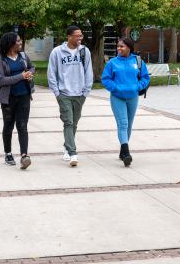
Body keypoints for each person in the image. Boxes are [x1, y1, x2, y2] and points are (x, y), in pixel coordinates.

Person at [47, 26, 93, 167]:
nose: (80, 38)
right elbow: (51, 72)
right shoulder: (57, 52)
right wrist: (57, 92)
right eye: (77, 35)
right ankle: (73, 153)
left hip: (80, 94)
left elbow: (88, 71)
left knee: (74, 122)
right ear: (69, 36)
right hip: (64, 94)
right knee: (68, 122)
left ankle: (67, 146)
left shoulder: (85, 51)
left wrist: (86, 91)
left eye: (81, 36)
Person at [101, 37, 150, 167]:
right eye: (118, 46)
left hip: (133, 97)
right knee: (123, 124)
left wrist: (137, 87)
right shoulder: (112, 63)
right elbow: (105, 79)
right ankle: (126, 153)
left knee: (129, 125)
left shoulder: (138, 61)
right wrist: (116, 88)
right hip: (117, 97)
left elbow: (145, 77)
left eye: (122, 46)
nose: (119, 48)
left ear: (129, 47)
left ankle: (123, 151)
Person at [0, 32, 35, 169]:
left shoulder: (23, 56)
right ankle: (8, 153)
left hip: (24, 96)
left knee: (22, 126)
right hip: (8, 98)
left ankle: (24, 155)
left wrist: (29, 74)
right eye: (18, 41)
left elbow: (31, 67)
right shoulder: (1, 60)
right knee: (8, 126)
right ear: (11, 43)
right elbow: (1, 80)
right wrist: (21, 76)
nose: (20, 43)